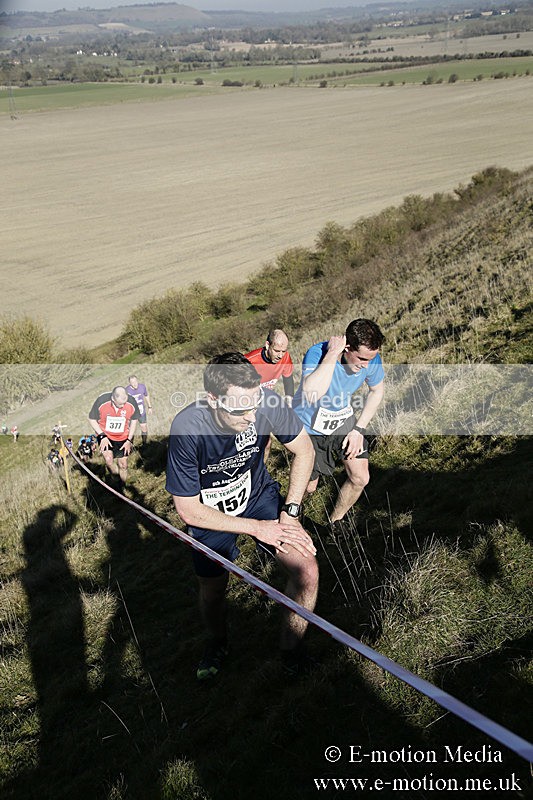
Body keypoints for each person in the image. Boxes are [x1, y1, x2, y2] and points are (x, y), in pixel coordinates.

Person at [166, 352, 318, 680]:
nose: (251, 416)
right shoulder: (187, 429)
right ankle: (217, 641)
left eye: (255, 403)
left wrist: (290, 513)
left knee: (306, 569)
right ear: (212, 400)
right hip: (210, 513)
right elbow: (188, 509)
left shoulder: (268, 404)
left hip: (257, 494)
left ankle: (291, 651)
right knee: (212, 591)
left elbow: (305, 450)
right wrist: (256, 529)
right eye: (240, 409)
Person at [292, 319, 385, 530]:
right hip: (308, 427)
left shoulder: (371, 359)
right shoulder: (318, 353)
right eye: (361, 358)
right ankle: (291, 519)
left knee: (360, 477)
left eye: (371, 359)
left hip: (342, 420)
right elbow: (311, 395)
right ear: (347, 347)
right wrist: (332, 355)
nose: (366, 365)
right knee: (308, 487)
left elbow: (377, 391)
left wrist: (358, 429)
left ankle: (335, 525)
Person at [88, 387, 140, 490]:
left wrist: (129, 440)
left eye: (124, 403)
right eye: (120, 404)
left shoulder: (131, 402)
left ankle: (122, 487)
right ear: (113, 398)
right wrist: (102, 436)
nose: (123, 406)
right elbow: (91, 419)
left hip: (123, 436)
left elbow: (134, 420)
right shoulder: (101, 401)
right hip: (105, 435)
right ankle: (116, 483)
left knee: (123, 464)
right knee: (109, 460)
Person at [244, 329, 295, 405]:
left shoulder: (285, 357)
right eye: (276, 351)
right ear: (267, 345)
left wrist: (289, 402)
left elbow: (288, 380)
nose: (280, 356)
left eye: (283, 351)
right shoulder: (249, 361)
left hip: (266, 399)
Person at [125, 375, 152, 446]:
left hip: (141, 412)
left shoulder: (142, 387)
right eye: (132, 382)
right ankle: (130, 446)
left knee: (144, 427)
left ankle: (144, 443)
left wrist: (149, 407)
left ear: (137, 380)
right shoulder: (127, 390)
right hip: (132, 413)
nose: (135, 384)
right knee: (131, 430)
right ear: (130, 383)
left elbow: (146, 395)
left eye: (135, 381)